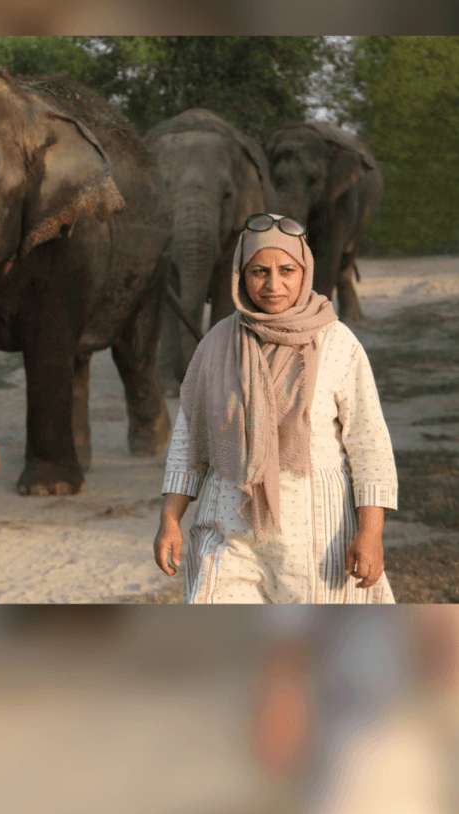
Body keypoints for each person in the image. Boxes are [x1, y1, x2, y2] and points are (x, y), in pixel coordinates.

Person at [153, 213, 397, 603]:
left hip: (316, 534)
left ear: (305, 271)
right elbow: (189, 440)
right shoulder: (218, 342)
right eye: (258, 271)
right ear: (239, 275)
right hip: (226, 526)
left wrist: (370, 532)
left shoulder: (336, 342)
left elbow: (369, 444)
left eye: (286, 270)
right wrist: (170, 519)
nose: (272, 284)